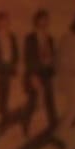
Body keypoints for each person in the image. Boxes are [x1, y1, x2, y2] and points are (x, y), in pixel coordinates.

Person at [22, 8, 58, 136]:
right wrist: (33, 76)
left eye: (46, 20)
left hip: (47, 75)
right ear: (36, 21)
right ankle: (26, 124)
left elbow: (53, 58)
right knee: (32, 102)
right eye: (42, 20)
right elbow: (28, 58)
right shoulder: (30, 38)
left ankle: (54, 128)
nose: (44, 22)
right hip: (34, 74)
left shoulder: (50, 39)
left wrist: (52, 69)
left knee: (50, 101)